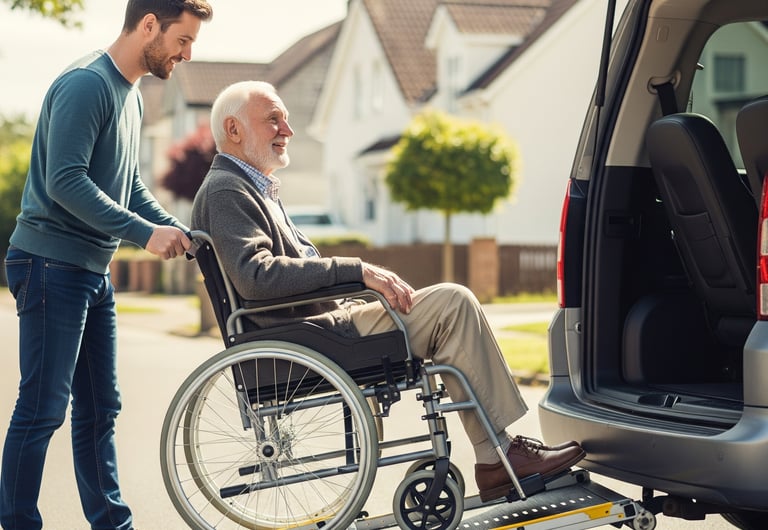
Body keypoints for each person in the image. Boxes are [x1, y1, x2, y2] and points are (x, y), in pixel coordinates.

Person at [191, 80, 585, 504]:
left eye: (285, 118)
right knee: (452, 303)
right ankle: (498, 456)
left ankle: (497, 455)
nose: (287, 129)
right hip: (307, 336)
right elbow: (257, 276)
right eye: (273, 119)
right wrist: (357, 271)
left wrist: (355, 282)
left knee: (445, 309)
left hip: (316, 329)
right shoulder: (227, 190)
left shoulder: (250, 187)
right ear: (233, 130)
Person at [0, 2, 213, 529]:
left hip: (90, 271)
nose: (187, 54)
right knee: (44, 407)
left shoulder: (132, 95)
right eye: (182, 40)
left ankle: (111, 523)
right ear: (148, 26)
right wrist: (144, 234)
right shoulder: (86, 84)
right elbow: (65, 182)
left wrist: (173, 227)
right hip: (50, 264)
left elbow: (128, 186)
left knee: (100, 409)